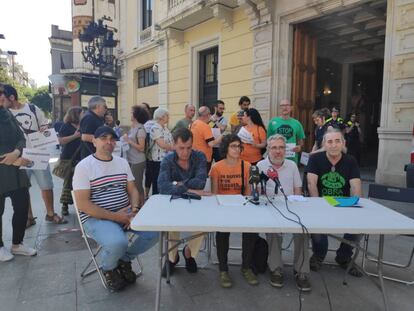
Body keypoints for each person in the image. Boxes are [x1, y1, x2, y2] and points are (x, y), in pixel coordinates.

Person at [72, 126, 158, 291]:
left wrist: (134, 208)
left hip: (125, 212)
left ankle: (124, 259)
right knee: (118, 242)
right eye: (104, 138)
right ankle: (109, 268)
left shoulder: (122, 163)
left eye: (112, 139)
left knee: (156, 232)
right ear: (94, 141)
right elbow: (83, 204)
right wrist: (116, 217)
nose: (109, 142)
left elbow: (132, 189)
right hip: (95, 218)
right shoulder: (84, 167)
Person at [4, 85, 66, 226]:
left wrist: (45, 127)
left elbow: (45, 125)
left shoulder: (32, 108)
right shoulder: (4, 114)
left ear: (11, 97)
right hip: (19, 157)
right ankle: (29, 217)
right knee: (23, 189)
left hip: (38, 152)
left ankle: (50, 214)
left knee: (46, 185)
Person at [257, 134, 311, 291]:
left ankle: (301, 271)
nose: (278, 151)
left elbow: (298, 191)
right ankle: (276, 269)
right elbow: (257, 194)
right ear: (268, 149)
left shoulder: (292, 166)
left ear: (285, 150)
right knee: (274, 231)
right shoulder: (260, 166)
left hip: (291, 208)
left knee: (303, 231)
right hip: (270, 209)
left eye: (281, 147)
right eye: (274, 147)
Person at [306, 129, 363, 277]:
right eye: (329, 141)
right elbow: (312, 184)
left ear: (343, 143)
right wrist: (318, 206)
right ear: (324, 144)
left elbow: (356, 186)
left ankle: (344, 256)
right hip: (320, 203)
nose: (333, 145)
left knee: (360, 226)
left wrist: (356, 204)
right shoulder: (315, 159)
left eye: (337, 141)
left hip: (342, 204)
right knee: (317, 227)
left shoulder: (350, 160)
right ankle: (318, 255)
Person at [158, 128, 209, 276]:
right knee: (170, 225)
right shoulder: (168, 160)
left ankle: (189, 252)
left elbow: (200, 183)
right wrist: (190, 189)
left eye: (189, 147)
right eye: (181, 148)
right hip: (174, 203)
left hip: (196, 203)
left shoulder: (199, 156)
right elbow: (162, 186)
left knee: (204, 223)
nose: (185, 152)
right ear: (173, 145)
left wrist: (177, 184)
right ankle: (172, 258)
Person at [210, 134, 258, 288]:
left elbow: (249, 193)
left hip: (242, 206)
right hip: (223, 207)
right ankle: (223, 270)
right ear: (225, 148)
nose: (237, 149)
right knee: (222, 234)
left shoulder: (247, 165)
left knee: (251, 231)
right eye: (233, 146)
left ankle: (246, 267)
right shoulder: (217, 167)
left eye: (238, 146)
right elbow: (214, 195)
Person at [0, 84, 37, 261]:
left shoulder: (7, 113)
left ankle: (17, 244)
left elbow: (20, 138)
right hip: (3, 169)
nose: (1, 97)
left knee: (22, 206)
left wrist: (16, 152)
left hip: (15, 169)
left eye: (2, 94)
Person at [57, 107, 83, 216]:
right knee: (68, 183)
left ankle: (81, 204)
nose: (83, 115)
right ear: (75, 115)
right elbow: (60, 141)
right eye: (81, 113)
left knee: (81, 183)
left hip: (81, 157)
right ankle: (65, 205)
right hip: (68, 157)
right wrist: (75, 136)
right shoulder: (66, 126)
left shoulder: (83, 125)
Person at [123, 105, 150, 208]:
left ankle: (141, 206)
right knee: (131, 184)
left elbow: (141, 148)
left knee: (137, 185)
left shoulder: (140, 129)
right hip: (131, 159)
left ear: (136, 115)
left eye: (131, 112)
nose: (130, 114)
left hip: (137, 161)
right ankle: (135, 204)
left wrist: (128, 141)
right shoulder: (133, 127)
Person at [267, 99, 305, 163]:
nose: (285, 107)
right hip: (275, 158)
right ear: (279, 108)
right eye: (282, 105)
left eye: (287, 105)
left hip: (291, 159)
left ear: (291, 108)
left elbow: (301, 142)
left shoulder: (297, 123)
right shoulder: (272, 122)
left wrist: (299, 147)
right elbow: (268, 141)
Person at [147, 107, 174, 195]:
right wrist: (175, 147)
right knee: (157, 184)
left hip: (167, 159)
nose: (168, 117)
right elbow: (162, 144)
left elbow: (170, 142)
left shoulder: (165, 128)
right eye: (167, 115)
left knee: (166, 182)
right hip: (158, 161)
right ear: (161, 117)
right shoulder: (155, 128)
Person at [190, 106, 222, 173]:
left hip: (193, 156)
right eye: (210, 114)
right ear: (208, 115)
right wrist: (220, 137)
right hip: (204, 158)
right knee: (203, 179)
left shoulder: (193, 123)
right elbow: (211, 143)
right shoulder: (205, 126)